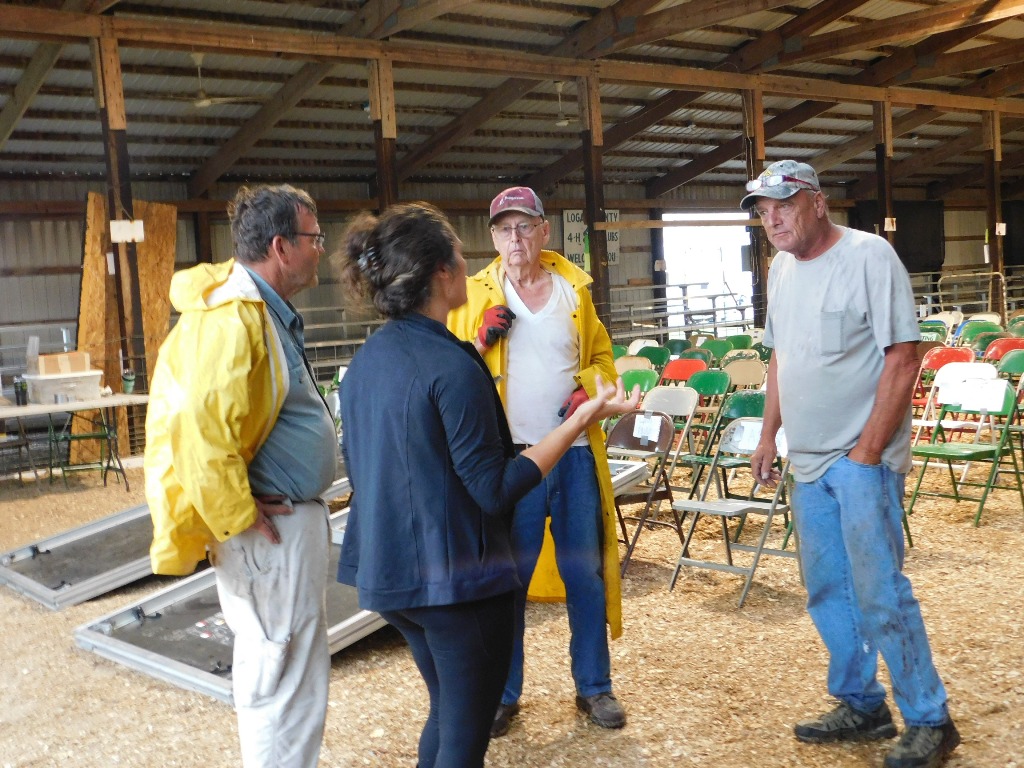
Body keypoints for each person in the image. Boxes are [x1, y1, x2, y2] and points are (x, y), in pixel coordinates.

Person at [335, 202, 639, 768]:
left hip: (388, 572)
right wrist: (579, 420)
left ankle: (591, 683)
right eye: (459, 254)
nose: (468, 263)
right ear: (441, 272)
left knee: (447, 713)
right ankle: (507, 695)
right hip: (453, 581)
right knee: (463, 736)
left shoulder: (367, 362)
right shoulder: (455, 365)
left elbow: (367, 466)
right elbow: (494, 489)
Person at [744, 160, 959, 768]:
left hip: (860, 460)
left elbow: (903, 356)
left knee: (880, 591)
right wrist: (769, 435)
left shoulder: (869, 256)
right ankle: (862, 704)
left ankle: (930, 719)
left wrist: (867, 452)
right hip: (807, 461)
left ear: (817, 202)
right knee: (827, 590)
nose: (773, 221)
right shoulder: (781, 269)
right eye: (764, 212)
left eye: (784, 206)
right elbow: (781, 358)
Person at [144, 184, 339, 768]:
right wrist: (237, 512)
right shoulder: (233, 316)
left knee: (291, 671)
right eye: (314, 239)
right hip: (267, 532)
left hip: (280, 526)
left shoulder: (256, 311)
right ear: (281, 247)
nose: (320, 249)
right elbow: (197, 425)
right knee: (278, 673)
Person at [447, 186, 627, 737]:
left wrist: (589, 387)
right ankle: (503, 694)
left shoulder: (574, 290)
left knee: (584, 574)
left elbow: (602, 357)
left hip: (573, 455)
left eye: (525, 226)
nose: (515, 238)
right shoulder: (473, 296)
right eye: (504, 229)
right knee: (509, 581)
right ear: (492, 237)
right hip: (510, 462)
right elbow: (448, 370)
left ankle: (594, 687)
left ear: (545, 231)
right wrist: (479, 342)